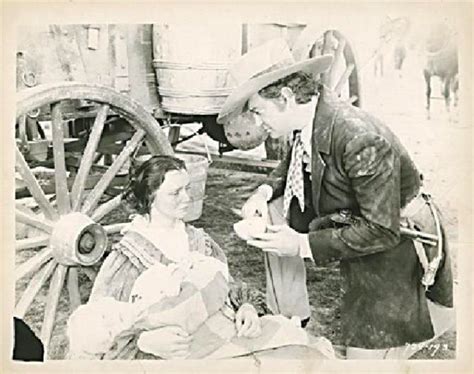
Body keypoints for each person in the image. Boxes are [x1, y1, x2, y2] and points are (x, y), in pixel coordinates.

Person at [217, 38, 454, 359]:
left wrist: (301, 245)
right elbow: (290, 165)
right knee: (272, 211)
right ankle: (290, 320)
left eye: (258, 111)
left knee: (366, 362)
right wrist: (263, 193)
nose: (258, 123)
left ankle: (423, 324)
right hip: (357, 219)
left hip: (399, 241)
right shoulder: (309, 118)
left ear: (285, 97)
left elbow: (383, 231)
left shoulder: (359, 136)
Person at [67, 155, 334, 360]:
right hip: (171, 354)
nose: (187, 198)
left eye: (187, 188)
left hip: (221, 335)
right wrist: (143, 342)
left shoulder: (199, 241)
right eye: (175, 193)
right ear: (149, 198)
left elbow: (230, 288)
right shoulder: (129, 257)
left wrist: (247, 308)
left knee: (295, 345)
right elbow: (100, 329)